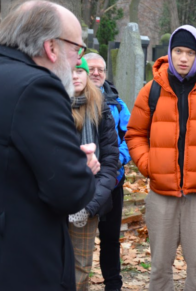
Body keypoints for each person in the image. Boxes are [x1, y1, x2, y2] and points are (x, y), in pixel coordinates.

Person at [125, 25, 196, 291]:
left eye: (190, 52)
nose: (184, 58)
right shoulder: (152, 91)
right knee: (159, 268)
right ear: (170, 53)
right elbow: (135, 134)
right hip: (161, 195)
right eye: (178, 51)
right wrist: (148, 165)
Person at [0, 1, 101, 290]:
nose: (76, 61)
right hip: (22, 262)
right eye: (76, 50)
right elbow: (69, 191)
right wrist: (82, 169)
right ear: (51, 48)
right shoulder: (38, 88)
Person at [68, 57, 119, 291]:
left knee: (80, 266)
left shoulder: (100, 107)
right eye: (70, 70)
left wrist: (89, 206)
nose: (76, 75)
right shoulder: (50, 104)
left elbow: (110, 163)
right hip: (53, 199)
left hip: (87, 200)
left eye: (80, 70)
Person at [83, 52, 131, 291]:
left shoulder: (117, 104)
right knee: (79, 237)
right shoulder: (72, 99)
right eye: (91, 68)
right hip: (82, 182)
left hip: (112, 180)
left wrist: (115, 162)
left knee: (110, 238)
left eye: (101, 69)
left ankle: (113, 284)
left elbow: (129, 137)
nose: (97, 73)